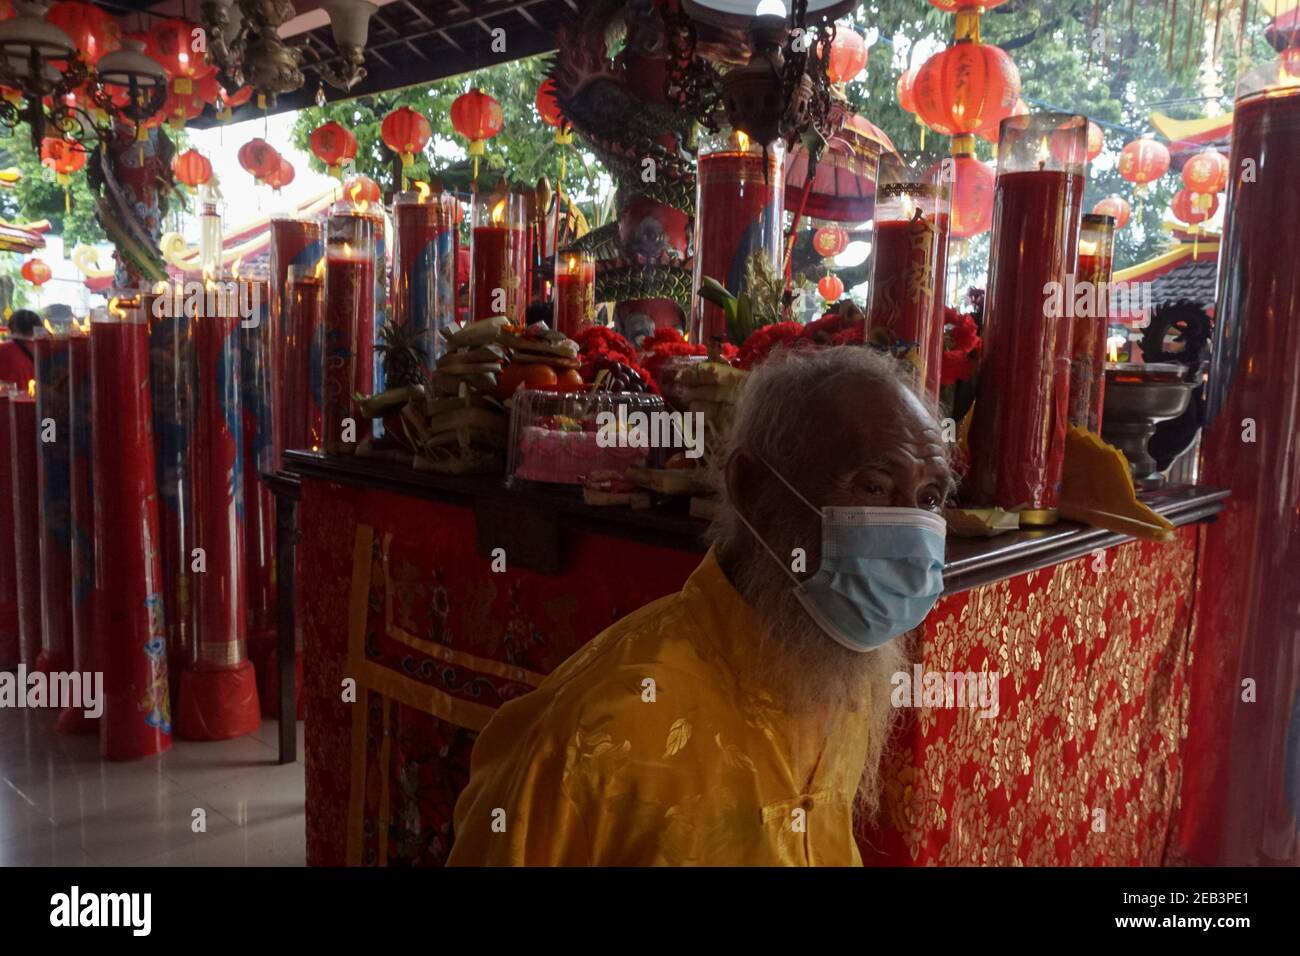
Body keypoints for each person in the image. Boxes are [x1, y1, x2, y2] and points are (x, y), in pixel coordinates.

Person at [448, 346, 954, 866]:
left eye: (931, 498)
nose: (911, 534)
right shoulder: (594, 733)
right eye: (873, 486)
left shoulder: (837, 669)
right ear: (752, 488)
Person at [0, 309, 39, 387]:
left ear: (11, 328)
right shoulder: (47, 350)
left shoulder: (3, 350)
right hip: (40, 398)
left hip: (12, 398)